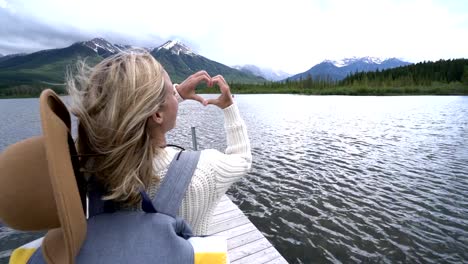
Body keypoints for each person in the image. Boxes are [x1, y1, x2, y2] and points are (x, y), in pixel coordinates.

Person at [67, 49, 252, 236]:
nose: (176, 93)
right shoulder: (205, 170)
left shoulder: (92, 166)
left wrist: (176, 94)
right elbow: (242, 159)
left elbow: (133, 115)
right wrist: (229, 107)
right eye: (172, 91)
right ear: (156, 114)